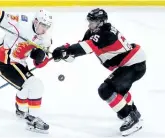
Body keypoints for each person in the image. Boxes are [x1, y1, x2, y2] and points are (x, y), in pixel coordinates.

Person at [51, 8, 146, 136]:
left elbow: (85, 47)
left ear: (101, 22)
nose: (90, 24)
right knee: (118, 90)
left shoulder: (106, 34)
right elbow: (80, 49)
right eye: (89, 21)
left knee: (106, 90)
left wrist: (67, 51)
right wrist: (65, 52)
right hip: (131, 64)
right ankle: (133, 112)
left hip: (134, 65)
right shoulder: (93, 32)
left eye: (93, 22)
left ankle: (131, 118)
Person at [0, 5, 53, 133]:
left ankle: (21, 110)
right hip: (4, 62)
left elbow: (40, 63)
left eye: (47, 26)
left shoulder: (46, 39)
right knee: (36, 85)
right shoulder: (21, 22)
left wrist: (40, 58)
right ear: (36, 21)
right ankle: (33, 119)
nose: (45, 29)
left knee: (29, 87)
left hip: (19, 63)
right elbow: (1, 17)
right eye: (43, 25)